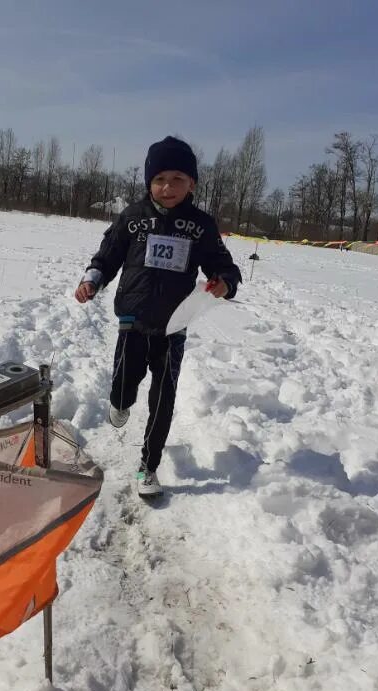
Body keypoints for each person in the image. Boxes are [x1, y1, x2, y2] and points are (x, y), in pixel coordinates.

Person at [75, 136, 242, 498]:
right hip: (133, 321)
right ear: (148, 182)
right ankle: (119, 403)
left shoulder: (201, 225)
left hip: (173, 325)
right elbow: (108, 255)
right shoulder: (133, 218)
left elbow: (223, 265)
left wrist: (225, 283)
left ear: (192, 184)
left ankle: (148, 468)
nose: (168, 188)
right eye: (160, 179)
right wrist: (93, 279)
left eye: (178, 179)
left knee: (163, 399)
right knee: (123, 385)